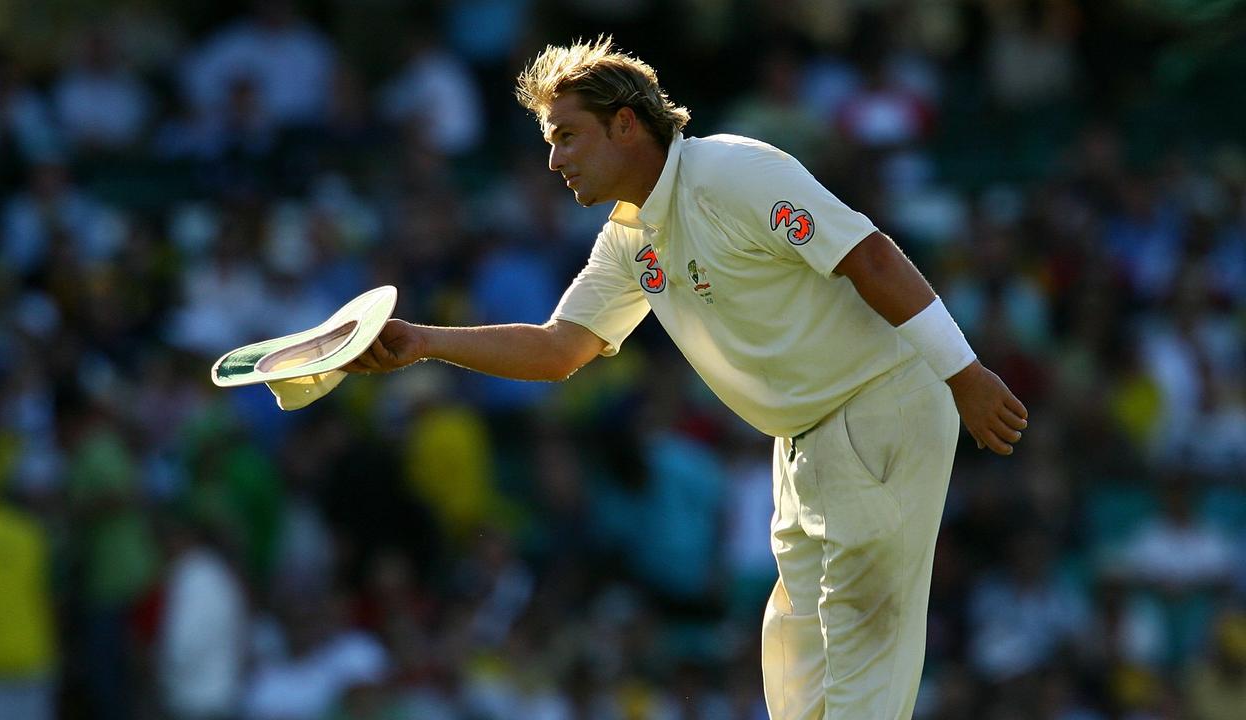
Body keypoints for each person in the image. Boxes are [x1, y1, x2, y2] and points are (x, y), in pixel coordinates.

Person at [344, 36, 1028, 720]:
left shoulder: (731, 172)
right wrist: (422, 342)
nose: (555, 160)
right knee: (795, 656)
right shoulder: (629, 239)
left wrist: (962, 371)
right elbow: (559, 350)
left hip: (882, 404)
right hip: (802, 441)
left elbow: (869, 256)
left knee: (859, 639)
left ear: (625, 124)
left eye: (567, 136)